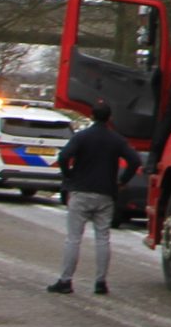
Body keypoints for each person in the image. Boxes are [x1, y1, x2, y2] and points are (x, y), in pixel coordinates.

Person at [52, 102, 140, 296]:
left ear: (91, 116)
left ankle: (65, 280)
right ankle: (100, 282)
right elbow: (135, 160)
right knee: (102, 239)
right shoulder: (116, 140)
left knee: (73, 238)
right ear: (110, 118)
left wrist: (68, 176)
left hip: (81, 191)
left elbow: (64, 156)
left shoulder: (82, 137)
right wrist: (122, 180)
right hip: (106, 193)